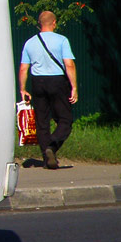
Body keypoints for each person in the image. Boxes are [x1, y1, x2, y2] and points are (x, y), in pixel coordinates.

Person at [18, 10, 78, 169]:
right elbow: (69, 65)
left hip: (38, 82)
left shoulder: (30, 42)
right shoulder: (62, 40)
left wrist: (23, 89)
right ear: (54, 23)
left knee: (41, 121)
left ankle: (47, 158)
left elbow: (24, 68)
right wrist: (74, 87)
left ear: (39, 24)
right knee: (65, 119)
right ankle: (52, 146)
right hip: (58, 81)